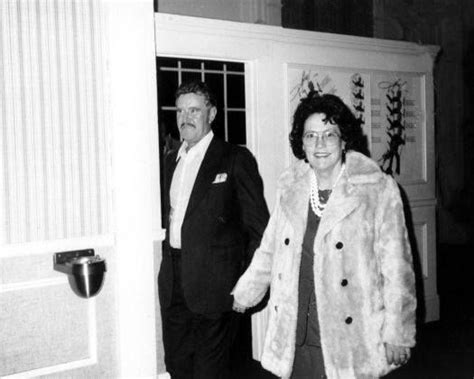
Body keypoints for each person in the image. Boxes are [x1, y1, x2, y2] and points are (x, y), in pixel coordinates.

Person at [232, 92, 416, 378]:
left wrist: (398, 332)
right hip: (296, 327)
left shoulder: (376, 189)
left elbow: (397, 269)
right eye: (310, 136)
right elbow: (269, 249)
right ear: (301, 142)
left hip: (349, 334)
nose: (319, 144)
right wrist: (246, 292)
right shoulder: (291, 188)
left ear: (344, 141)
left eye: (329, 134)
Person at [158, 80, 269, 379]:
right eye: (180, 110)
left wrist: (248, 283)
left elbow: (260, 230)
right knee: (178, 366)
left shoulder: (234, 158)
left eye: (194, 109)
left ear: (213, 113)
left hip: (216, 287)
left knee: (210, 372)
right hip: (174, 283)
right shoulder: (171, 160)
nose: (185, 117)